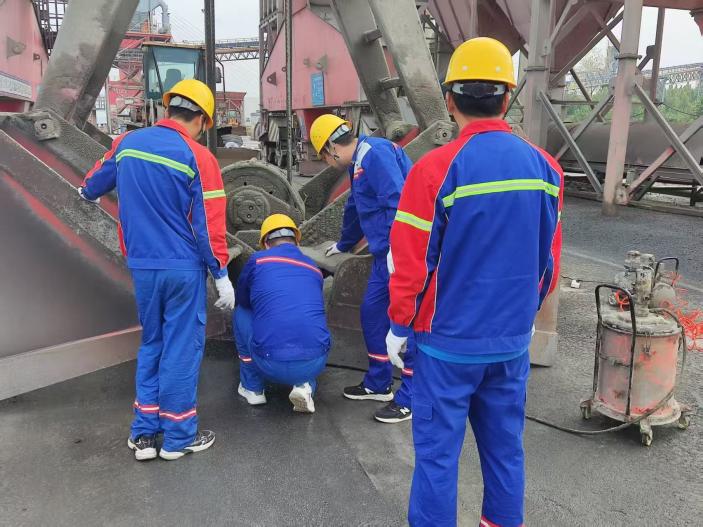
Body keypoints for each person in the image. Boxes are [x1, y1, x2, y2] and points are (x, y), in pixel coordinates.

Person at [386, 37, 563, 526]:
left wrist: (399, 325)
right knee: (505, 453)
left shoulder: (433, 171)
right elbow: (548, 265)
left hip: (446, 347)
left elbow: (411, 264)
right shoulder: (546, 170)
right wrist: (523, 316)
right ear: (507, 99)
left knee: (438, 460)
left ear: (450, 100)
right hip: (510, 345)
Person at [78, 79, 235, 461]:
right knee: (181, 348)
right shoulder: (200, 157)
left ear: (168, 109)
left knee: (152, 342)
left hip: (143, 267)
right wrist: (221, 274)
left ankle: (144, 435)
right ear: (201, 119)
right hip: (182, 270)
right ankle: (178, 437)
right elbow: (208, 226)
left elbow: (91, 185)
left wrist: (88, 194)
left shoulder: (127, 143)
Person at [309, 114, 416, 423]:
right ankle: (379, 382)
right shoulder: (359, 162)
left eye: (323, 156)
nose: (326, 163)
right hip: (385, 256)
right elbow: (356, 208)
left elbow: (397, 201)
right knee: (372, 312)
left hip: (402, 253)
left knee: (409, 321)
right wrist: (343, 243)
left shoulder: (375, 154)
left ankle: (411, 397)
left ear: (331, 148)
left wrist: (400, 248)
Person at [234, 214, 331, 413]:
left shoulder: (258, 260)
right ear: (296, 242)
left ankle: (253, 388)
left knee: (241, 312)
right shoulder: (313, 268)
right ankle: (304, 384)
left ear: (265, 243)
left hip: (269, 362)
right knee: (308, 318)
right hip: (316, 361)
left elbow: (242, 299)